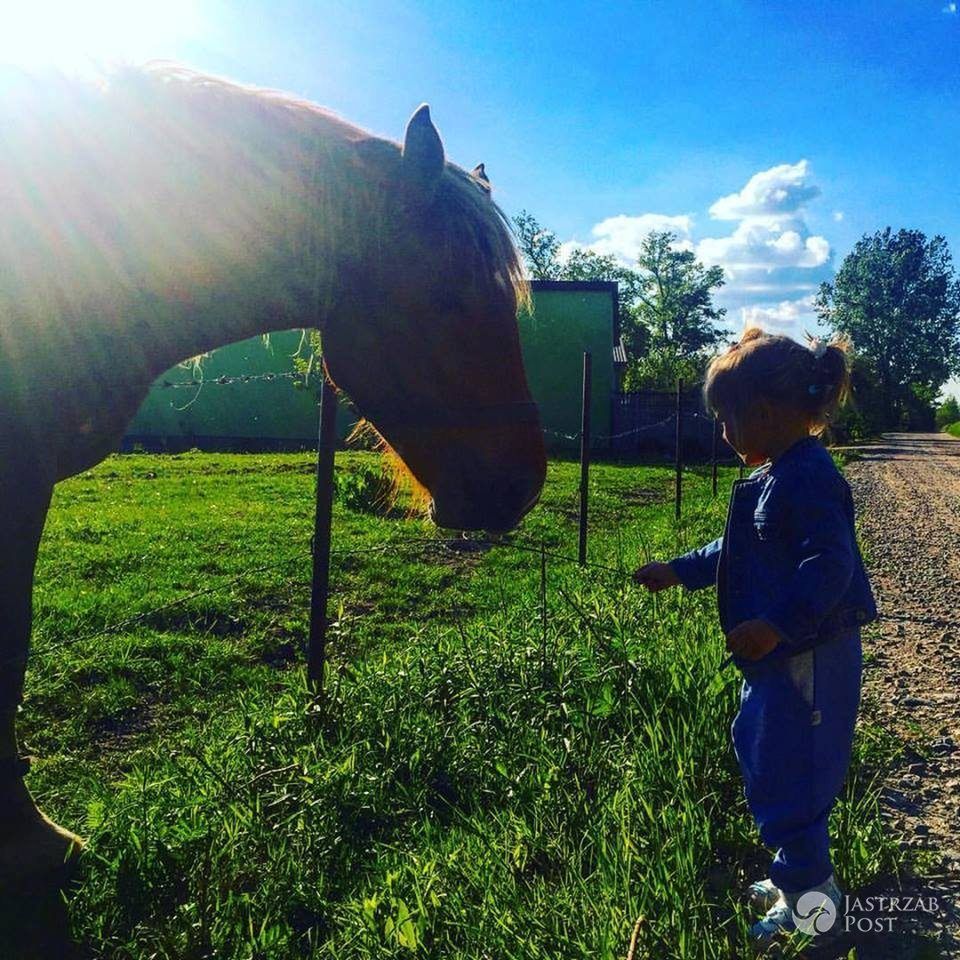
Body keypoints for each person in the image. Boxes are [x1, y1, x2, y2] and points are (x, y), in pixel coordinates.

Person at [633, 326, 878, 946]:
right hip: (780, 657)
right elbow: (734, 551)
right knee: (764, 753)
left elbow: (831, 566)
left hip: (807, 655)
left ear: (764, 414)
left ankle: (813, 913)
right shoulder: (773, 475)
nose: (722, 433)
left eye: (725, 419)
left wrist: (776, 624)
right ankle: (797, 874)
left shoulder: (809, 478)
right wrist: (679, 569)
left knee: (793, 773)